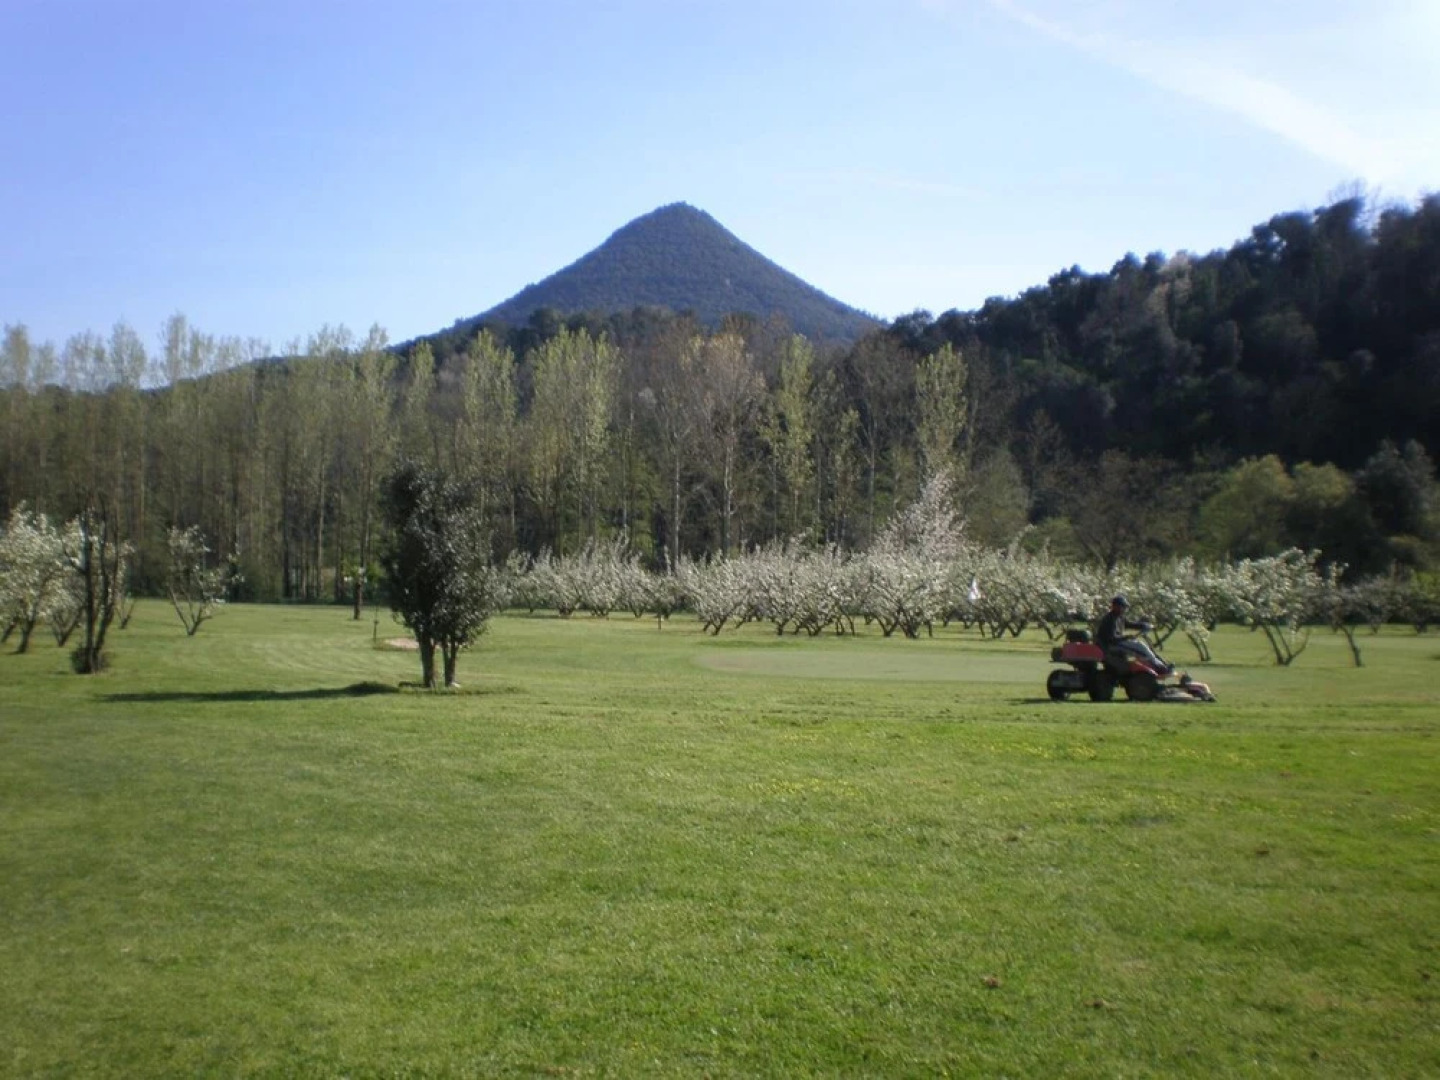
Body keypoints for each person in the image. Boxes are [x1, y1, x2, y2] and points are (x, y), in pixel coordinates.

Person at [1095, 595, 1172, 675]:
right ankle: (1159, 667)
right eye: (1122, 606)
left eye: (1124, 607)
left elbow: (1129, 624)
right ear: (1115, 606)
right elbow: (1111, 638)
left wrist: (1143, 625)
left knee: (1142, 646)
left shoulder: (1119, 617)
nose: (1124, 609)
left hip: (1117, 642)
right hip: (1109, 645)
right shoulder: (1110, 619)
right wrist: (1127, 637)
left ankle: (1160, 665)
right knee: (1140, 648)